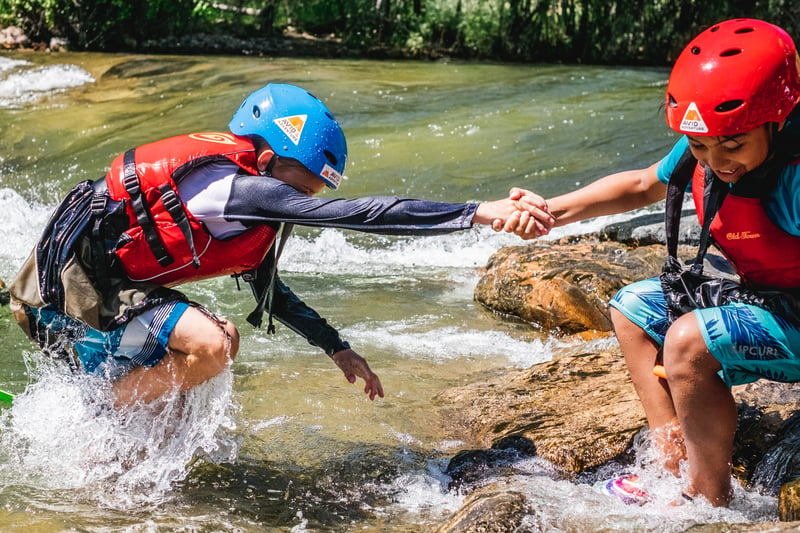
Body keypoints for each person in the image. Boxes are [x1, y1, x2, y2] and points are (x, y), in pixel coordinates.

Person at [8, 83, 551, 410]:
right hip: (63, 292)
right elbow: (359, 214)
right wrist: (476, 213)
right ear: (267, 159)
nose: (302, 202)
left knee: (223, 342)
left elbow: (268, 288)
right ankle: (102, 409)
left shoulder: (254, 202)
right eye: (302, 188)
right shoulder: (234, 188)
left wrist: (335, 345)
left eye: (311, 193)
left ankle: (128, 454)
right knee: (210, 345)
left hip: (106, 288)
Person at [512, 18, 800, 506]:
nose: (715, 161)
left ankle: (706, 501)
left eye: (732, 145)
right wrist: (550, 212)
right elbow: (644, 184)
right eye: (699, 146)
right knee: (633, 307)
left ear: (780, 119)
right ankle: (671, 461)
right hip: (767, 300)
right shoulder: (710, 142)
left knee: (688, 341)